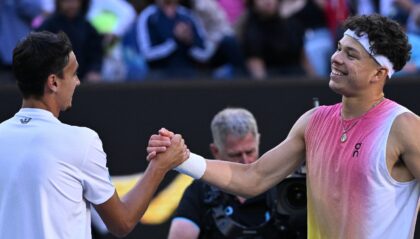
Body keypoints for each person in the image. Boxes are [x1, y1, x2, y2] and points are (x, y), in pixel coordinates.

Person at [148, 14, 420, 239]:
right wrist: (184, 159)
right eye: (338, 48)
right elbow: (252, 178)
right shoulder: (312, 121)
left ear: (379, 73)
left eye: (351, 54)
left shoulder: (404, 127)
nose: (336, 58)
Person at [0, 31, 187, 239]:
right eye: (73, 74)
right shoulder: (81, 141)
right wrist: (160, 166)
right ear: (53, 82)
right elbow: (121, 223)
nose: (77, 82)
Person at [168, 108, 291, 239]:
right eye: (235, 154)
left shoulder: (285, 188)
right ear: (215, 151)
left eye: (250, 152)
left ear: (258, 141)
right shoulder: (200, 192)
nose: (245, 160)